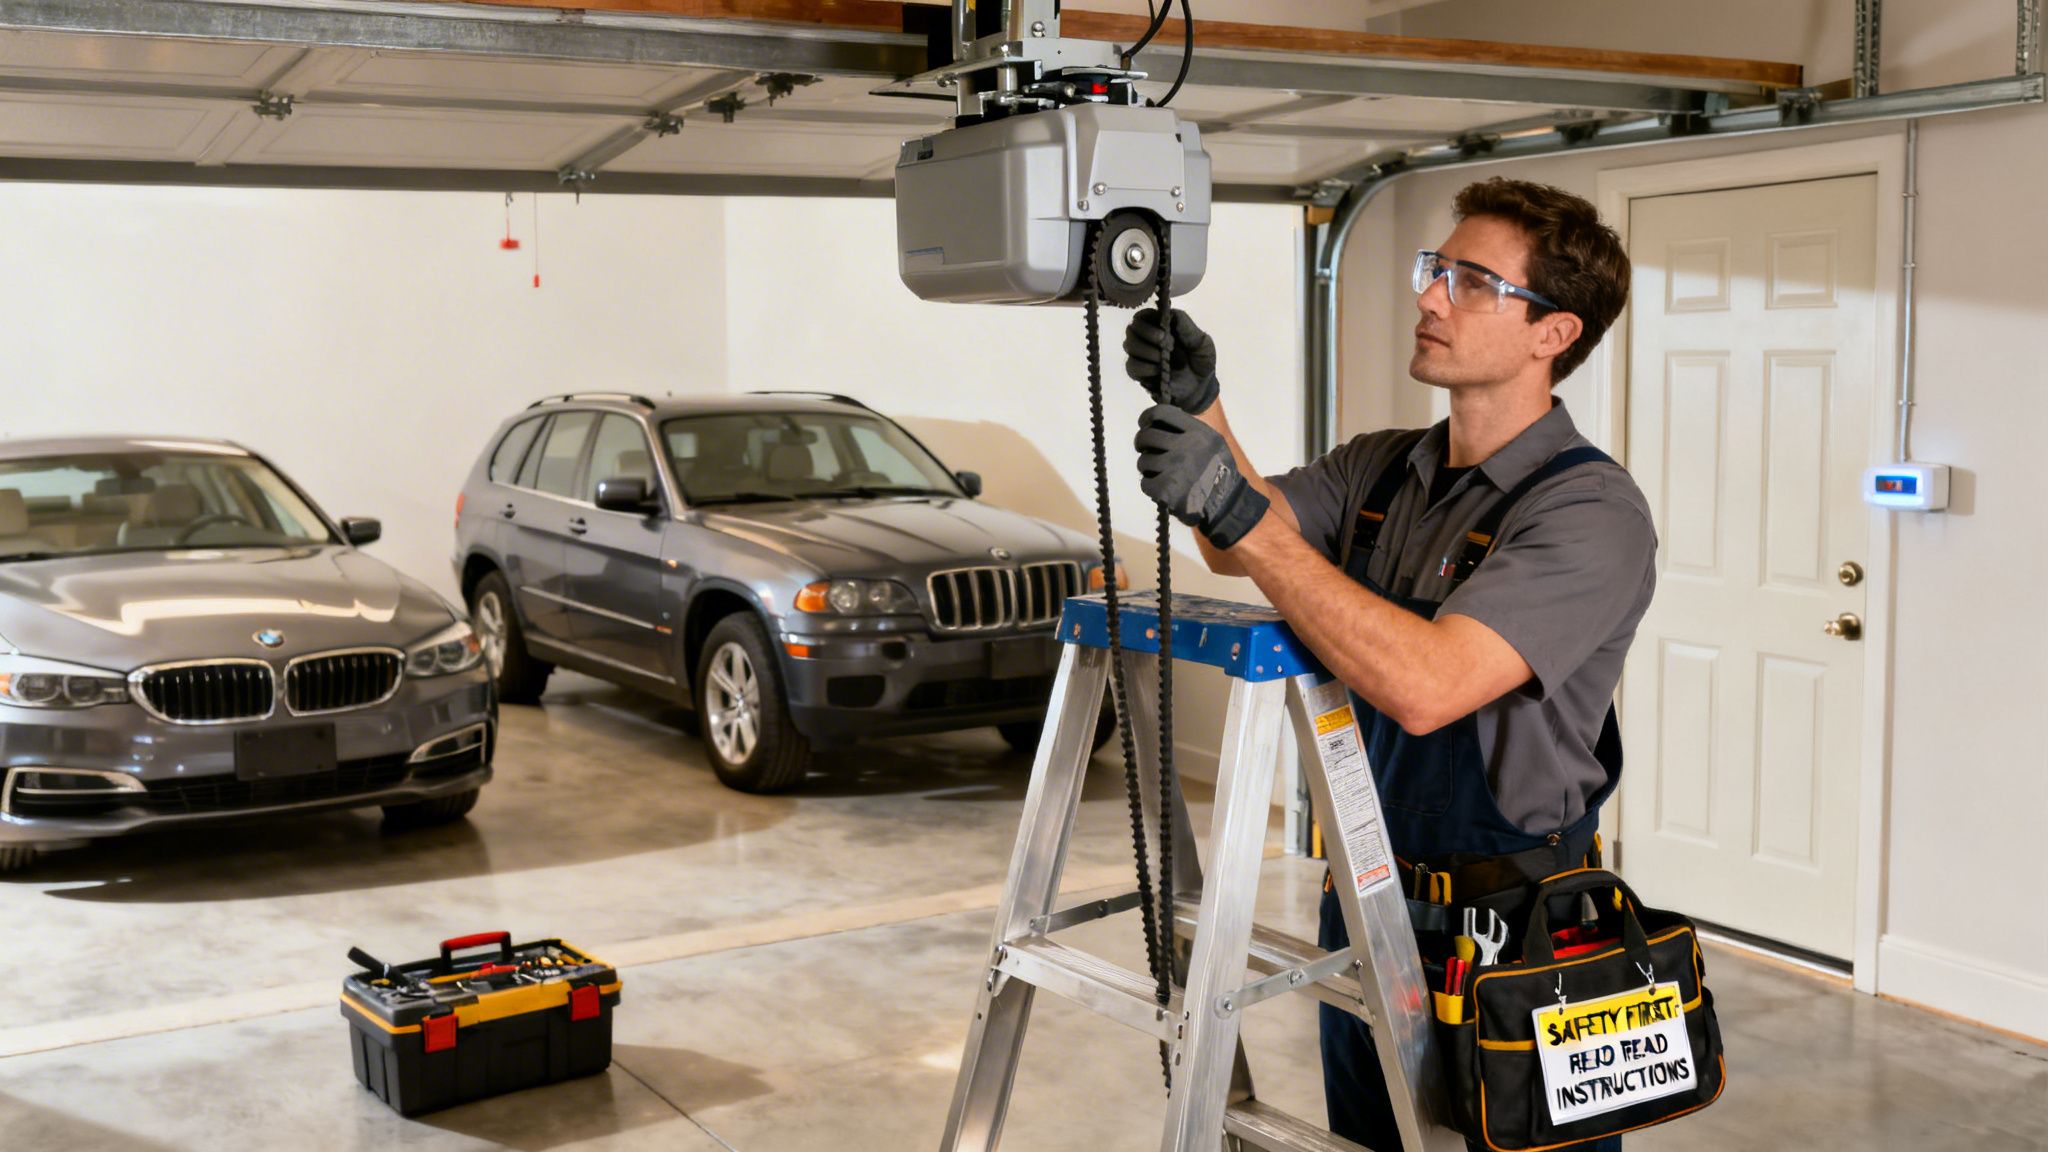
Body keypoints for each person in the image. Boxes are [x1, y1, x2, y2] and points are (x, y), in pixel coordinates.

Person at [1124, 177, 1653, 1152]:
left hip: (1516, 936)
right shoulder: (1382, 468)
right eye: (1433, 270)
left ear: (1553, 333)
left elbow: (1427, 686)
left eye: (1469, 281)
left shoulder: (1588, 515)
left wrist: (1237, 515)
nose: (1428, 297)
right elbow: (1236, 540)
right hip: (1365, 909)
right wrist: (1204, 410)